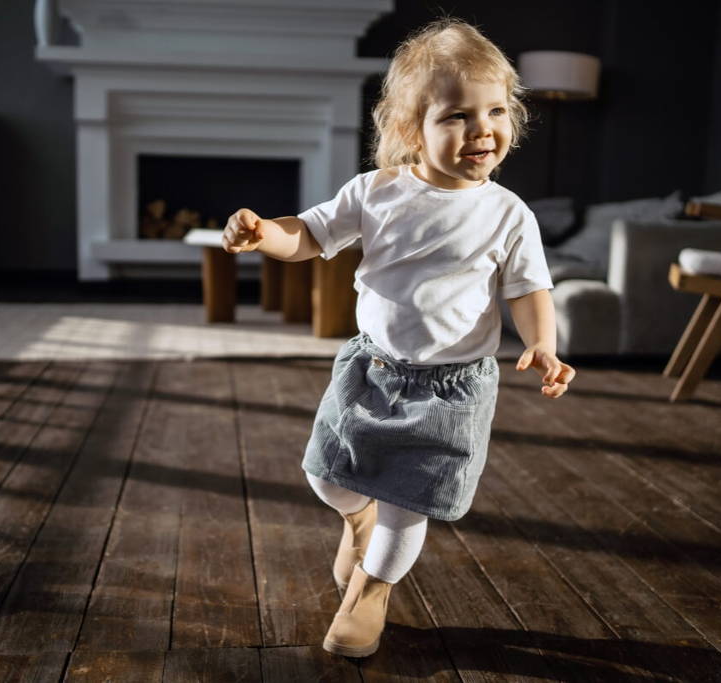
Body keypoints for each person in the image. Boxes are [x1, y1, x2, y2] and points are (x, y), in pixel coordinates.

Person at [222, 17, 575, 658]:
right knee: (327, 474)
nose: (482, 130)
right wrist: (263, 234)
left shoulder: (507, 212)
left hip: (452, 388)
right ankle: (358, 520)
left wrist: (542, 342)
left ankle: (370, 593)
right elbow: (307, 233)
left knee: (409, 502)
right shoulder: (376, 192)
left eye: (496, 111)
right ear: (413, 130)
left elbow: (528, 289)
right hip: (372, 369)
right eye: (458, 116)